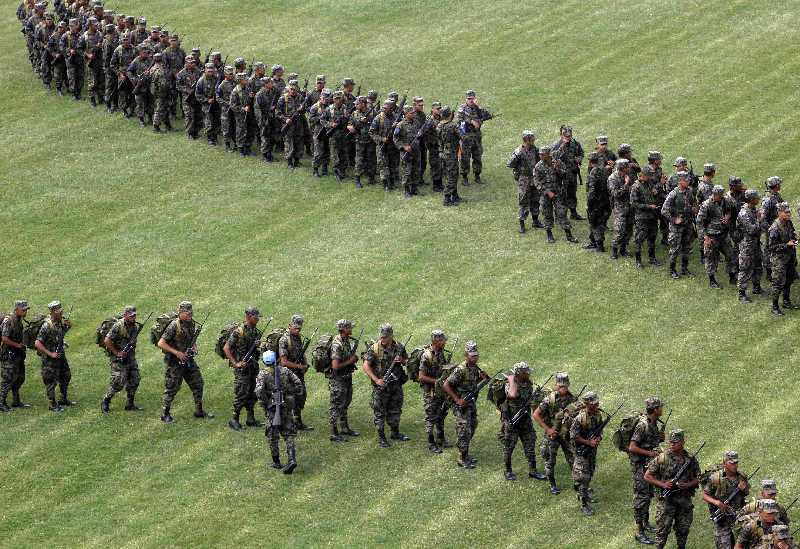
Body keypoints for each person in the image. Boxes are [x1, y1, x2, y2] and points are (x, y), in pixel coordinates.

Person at [643, 429, 701, 549]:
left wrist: (688, 485)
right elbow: (647, 476)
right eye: (671, 442)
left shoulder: (690, 459)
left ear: (683, 442)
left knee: (683, 530)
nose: (672, 444)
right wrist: (663, 484)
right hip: (666, 502)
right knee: (662, 531)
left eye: (675, 442)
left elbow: (698, 478)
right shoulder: (662, 458)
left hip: (684, 501)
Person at [157, 301, 213, 423]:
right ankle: (165, 414)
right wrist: (177, 353)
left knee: (198, 383)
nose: (190, 315)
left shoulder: (191, 323)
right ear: (180, 313)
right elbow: (161, 343)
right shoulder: (174, 326)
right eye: (187, 313)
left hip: (188, 360)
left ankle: (199, 411)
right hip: (175, 363)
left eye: (191, 312)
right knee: (172, 388)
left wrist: (194, 347)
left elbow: (191, 339)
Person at [443, 341, 489, 469]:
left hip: (470, 402)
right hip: (461, 405)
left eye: (476, 355)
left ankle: (466, 454)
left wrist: (483, 378)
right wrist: (457, 399)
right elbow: (446, 385)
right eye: (472, 356)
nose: (475, 358)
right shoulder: (460, 370)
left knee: (473, 425)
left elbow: (472, 383)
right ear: (466, 355)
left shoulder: (475, 368)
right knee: (464, 430)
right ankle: (461, 458)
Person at [362, 323, 410, 448]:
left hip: (396, 384)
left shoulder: (399, 346)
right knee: (380, 412)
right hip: (381, 386)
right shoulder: (375, 348)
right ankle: (381, 437)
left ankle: (395, 432)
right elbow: (366, 366)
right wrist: (376, 380)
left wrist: (402, 360)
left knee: (396, 409)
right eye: (381, 336)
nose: (382, 339)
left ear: (391, 336)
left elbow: (408, 361)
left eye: (385, 337)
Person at [255, 350, 302, 474]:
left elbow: (259, 391)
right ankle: (292, 459)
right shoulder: (285, 370)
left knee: (272, 436)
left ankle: (276, 462)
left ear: (264, 361)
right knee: (288, 434)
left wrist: (266, 402)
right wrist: (290, 393)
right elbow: (298, 384)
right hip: (286, 407)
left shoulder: (262, 374)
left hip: (272, 409)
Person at [499, 362, 546, 481]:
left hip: (525, 420)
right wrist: (511, 380)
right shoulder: (509, 384)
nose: (529, 374)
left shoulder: (528, 383)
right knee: (509, 447)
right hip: (512, 422)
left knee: (530, 445)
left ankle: (533, 471)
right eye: (526, 372)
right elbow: (512, 395)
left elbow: (531, 401)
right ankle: (508, 471)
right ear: (519, 373)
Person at [628, 397, 666, 545]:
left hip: (648, 466)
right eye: (660, 407)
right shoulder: (642, 425)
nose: (662, 409)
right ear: (655, 409)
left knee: (648, 495)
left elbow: (650, 442)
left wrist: (660, 439)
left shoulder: (654, 423)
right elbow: (632, 447)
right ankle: (639, 531)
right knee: (641, 498)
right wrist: (650, 453)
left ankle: (645, 523)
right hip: (640, 467)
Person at [533, 372, 577, 494]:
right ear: (557, 385)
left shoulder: (572, 398)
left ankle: (578, 483)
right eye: (561, 386)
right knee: (550, 460)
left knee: (573, 459)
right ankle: (552, 484)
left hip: (566, 434)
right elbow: (535, 414)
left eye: (565, 386)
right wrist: (548, 429)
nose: (564, 389)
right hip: (553, 434)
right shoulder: (550, 399)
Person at [223, 307, 263, 431]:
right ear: (249, 317)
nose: (258, 319)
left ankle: (250, 418)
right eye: (256, 317)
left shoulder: (255, 331)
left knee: (253, 392)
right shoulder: (238, 332)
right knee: (241, 393)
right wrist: (236, 363)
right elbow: (226, 348)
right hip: (242, 370)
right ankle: (234, 419)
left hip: (253, 367)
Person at [702, 451, 752, 549]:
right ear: (724, 463)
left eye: (736, 462)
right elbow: (704, 495)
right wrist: (717, 502)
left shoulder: (741, 476)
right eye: (731, 463)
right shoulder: (715, 478)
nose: (735, 465)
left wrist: (744, 488)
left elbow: (746, 493)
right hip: (723, 518)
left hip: (739, 516)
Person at [100, 305, 143, 413]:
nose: (133, 317)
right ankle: (106, 400)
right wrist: (117, 353)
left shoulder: (135, 327)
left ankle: (130, 404)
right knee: (118, 382)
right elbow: (107, 340)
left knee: (135, 379)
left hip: (130, 357)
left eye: (134, 315)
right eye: (131, 316)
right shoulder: (118, 326)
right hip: (118, 358)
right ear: (125, 315)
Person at [34, 301, 74, 412]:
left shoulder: (59, 321)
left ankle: (63, 399)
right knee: (51, 381)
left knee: (66, 375)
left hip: (60, 355)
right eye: (58, 311)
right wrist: (50, 353)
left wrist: (68, 326)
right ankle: (52, 404)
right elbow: (37, 343)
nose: (61, 313)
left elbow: (59, 335)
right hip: (50, 359)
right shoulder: (47, 325)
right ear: (52, 312)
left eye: (61, 310)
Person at [697, 185, 738, 289]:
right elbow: (699, 223)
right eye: (719, 195)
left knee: (730, 255)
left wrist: (727, 217)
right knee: (711, 258)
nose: (721, 196)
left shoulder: (725, 200)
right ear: (714, 194)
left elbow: (731, 209)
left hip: (723, 234)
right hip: (711, 236)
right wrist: (705, 237)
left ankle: (732, 276)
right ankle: (712, 280)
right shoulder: (706, 205)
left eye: (722, 194)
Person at [570, 391, 604, 516]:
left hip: (592, 451)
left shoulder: (598, 415)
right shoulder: (580, 419)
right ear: (587, 404)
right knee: (583, 478)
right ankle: (584, 504)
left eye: (597, 403)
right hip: (582, 451)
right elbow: (574, 436)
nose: (597, 405)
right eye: (594, 404)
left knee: (590, 473)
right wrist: (588, 442)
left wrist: (598, 438)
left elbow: (600, 430)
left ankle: (583, 495)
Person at [535, 146, 578, 243]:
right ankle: (549, 235)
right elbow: (537, 182)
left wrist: (557, 168)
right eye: (540, 154)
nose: (540, 156)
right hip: (545, 194)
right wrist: (547, 192)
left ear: (548, 154)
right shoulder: (538, 166)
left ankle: (569, 235)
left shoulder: (558, 162)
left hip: (558, 193)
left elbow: (565, 175)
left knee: (562, 213)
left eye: (542, 154)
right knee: (547, 213)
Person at [416, 330, 450, 453]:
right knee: (431, 417)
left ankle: (440, 439)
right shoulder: (427, 356)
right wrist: (437, 381)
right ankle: (431, 443)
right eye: (442, 340)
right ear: (436, 341)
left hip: (440, 391)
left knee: (441, 413)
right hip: (430, 392)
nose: (445, 342)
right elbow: (421, 377)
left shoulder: (440, 352)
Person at [662, 172, 699, 279]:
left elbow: (693, 203)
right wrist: (674, 219)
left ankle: (684, 269)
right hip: (676, 227)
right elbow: (664, 210)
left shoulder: (689, 191)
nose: (688, 182)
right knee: (675, 249)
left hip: (687, 224)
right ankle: (672, 270)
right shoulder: (673, 194)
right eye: (686, 180)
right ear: (680, 181)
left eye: (688, 180)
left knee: (686, 247)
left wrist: (694, 209)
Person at [328, 319, 360, 442]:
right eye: (349, 327)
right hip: (338, 380)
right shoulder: (337, 344)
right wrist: (350, 361)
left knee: (345, 402)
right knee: (336, 405)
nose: (351, 329)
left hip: (346, 377)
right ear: (343, 329)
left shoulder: (346, 340)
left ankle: (344, 428)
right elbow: (335, 366)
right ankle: (333, 433)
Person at [507, 130, 542, 233]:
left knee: (535, 200)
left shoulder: (535, 149)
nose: (533, 140)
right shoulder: (519, 151)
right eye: (531, 139)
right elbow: (510, 164)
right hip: (524, 180)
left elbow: (539, 161)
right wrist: (517, 157)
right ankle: (522, 225)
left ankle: (535, 221)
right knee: (523, 201)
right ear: (526, 140)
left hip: (534, 179)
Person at [767, 202, 798, 315]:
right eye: (786, 212)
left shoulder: (788, 222)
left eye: (789, 212)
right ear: (779, 213)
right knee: (778, 283)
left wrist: (795, 237)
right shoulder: (774, 228)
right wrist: (786, 245)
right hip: (779, 260)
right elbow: (771, 247)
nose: (789, 214)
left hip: (789, 257)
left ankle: (786, 301)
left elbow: (792, 233)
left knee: (789, 279)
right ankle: (774, 307)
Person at [0, 300, 31, 412]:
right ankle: (1, 403)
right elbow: (4, 338)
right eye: (23, 310)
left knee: (19, 378)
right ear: (16, 309)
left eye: (26, 309)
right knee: (7, 380)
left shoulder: (19, 320)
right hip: (8, 355)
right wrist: (17, 345)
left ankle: (16, 401)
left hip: (18, 354)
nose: (25, 312)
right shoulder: (9, 321)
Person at [630, 166, 664, 269]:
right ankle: (638, 261)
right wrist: (648, 206)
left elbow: (654, 193)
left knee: (652, 237)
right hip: (642, 217)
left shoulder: (649, 183)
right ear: (643, 175)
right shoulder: (636, 187)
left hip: (652, 216)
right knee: (639, 239)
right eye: (649, 175)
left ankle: (652, 258)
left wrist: (660, 186)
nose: (650, 177)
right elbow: (634, 203)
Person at [457, 90, 492, 185]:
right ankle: (464, 177)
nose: (471, 100)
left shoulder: (478, 108)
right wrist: (471, 121)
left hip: (476, 137)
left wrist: (478, 107)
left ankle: (477, 175)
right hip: (466, 137)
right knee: (465, 158)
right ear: (466, 99)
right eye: (469, 99)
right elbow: (459, 120)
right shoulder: (462, 109)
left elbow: (488, 115)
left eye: (472, 98)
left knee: (477, 157)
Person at [737, 189, 764, 302]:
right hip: (747, 246)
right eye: (756, 198)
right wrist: (759, 220)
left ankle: (756, 287)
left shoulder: (753, 209)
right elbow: (752, 230)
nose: (758, 199)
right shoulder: (744, 213)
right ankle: (742, 293)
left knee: (758, 266)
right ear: (751, 199)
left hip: (755, 243)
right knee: (745, 268)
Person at [551, 125, 585, 220]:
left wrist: (579, 159)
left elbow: (581, 153)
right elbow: (552, 157)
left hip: (572, 173)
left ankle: (573, 213)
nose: (567, 138)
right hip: (561, 175)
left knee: (572, 193)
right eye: (565, 136)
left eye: (569, 136)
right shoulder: (556, 145)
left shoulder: (575, 143)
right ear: (561, 135)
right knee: (561, 195)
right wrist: (561, 147)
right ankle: (560, 215)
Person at [585, 151, 612, 251]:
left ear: (590, 161)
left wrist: (589, 204)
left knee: (596, 223)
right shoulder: (604, 170)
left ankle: (599, 245)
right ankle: (593, 242)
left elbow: (592, 191)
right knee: (600, 222)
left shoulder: (593, 172)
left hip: (596, 203)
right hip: (606, 201)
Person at [276, 80, 305, 169]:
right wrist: (285, 119)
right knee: (289, 142)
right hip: (288, 125)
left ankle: (297, 160)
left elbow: (305, 110)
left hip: (298, 124)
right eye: (291, 89)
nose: (292, 90)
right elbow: (277, 112)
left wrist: (302, 109)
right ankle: (289, 162)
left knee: (298, 142)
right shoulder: (283, 98)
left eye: (294, 89)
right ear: (288, 88)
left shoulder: (300, 97)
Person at [608, 158, 634, 258]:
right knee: (619, 229)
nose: (629, 168)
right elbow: (616, 194)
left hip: (629, 206)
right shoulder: (612, 178)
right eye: (627, 167)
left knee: (629, 229)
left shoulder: (628, 175)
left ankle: (623, 249)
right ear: (622, 168)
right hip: (619, 208)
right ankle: (614, 250)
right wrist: (626, 184)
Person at [394, 105, 421, 197]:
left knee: (416, 170)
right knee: (407, 171)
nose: (413, 114)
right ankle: (406, 190)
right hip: (406, 152)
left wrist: (420, 134)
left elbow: (418, 133)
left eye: (414, 112)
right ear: (406, 114)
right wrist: (403, 146)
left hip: (416, 150)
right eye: (411, 113)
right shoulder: (400, 125)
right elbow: (395, 139)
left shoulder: (416, 122)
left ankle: (414, 188)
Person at [437, 105, 461, 206]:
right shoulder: (453, 125)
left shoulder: (439, 125)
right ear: (450, 114)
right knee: (452, 176)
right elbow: (462, 135)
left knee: (449, 174)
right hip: (451, 154)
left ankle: (455, 195)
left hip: (443, 152)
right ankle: (447, 198)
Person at [195, 63, 219, 145]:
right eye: (208, 71)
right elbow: (197, 95)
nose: (210, 72)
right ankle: (210, 138)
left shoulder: (216, 79)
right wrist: (207, 100)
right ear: (205, 70)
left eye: (212, 71)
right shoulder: (201, 81)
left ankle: (215, 136)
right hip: (207, 105)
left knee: (216, 121)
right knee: (208, 122)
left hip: (216, 104)